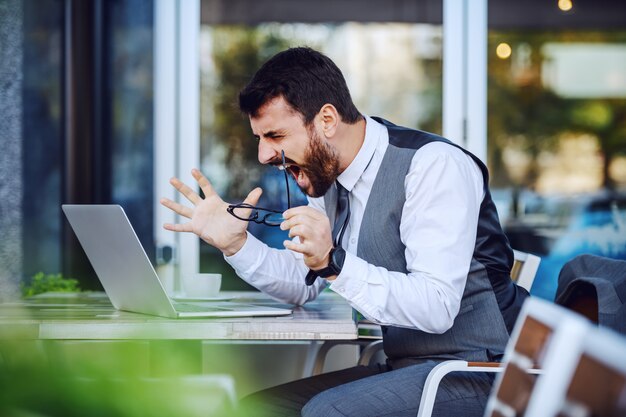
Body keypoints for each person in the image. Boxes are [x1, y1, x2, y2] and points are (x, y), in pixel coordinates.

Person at [160, 47, 529, 417]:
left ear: (327, 120)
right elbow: (303, 281)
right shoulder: (327, 177)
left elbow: (436, 307)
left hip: (481, 373)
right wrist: (236, 244)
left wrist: (333, 261)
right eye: (260, 138)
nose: (263, 155)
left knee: (327, 413)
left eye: (274, 135)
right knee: (259, 409)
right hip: (409, 369)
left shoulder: (432, 165)